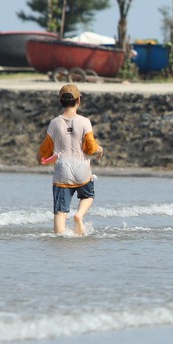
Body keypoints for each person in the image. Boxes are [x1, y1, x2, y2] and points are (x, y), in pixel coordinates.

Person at [38, 83, 104, 235]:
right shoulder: (85, 121)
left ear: (60, 101)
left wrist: (39, 158)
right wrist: (101, 149)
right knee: (88, 196)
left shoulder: (54, 123)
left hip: (62, 172)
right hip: (82, 170)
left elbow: (44, 152)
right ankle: (79, 215)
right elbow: (90, 148)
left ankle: (61, 234)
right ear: (78, 101)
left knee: (60, 214)